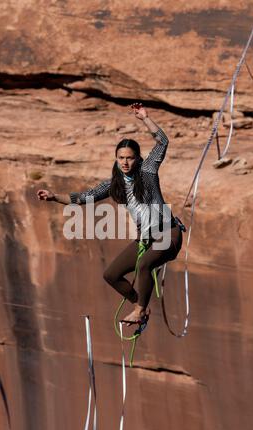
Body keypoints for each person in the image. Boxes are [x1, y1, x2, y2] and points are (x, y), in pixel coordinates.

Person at [37, 103, 184, 326]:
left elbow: (163, 141)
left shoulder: (148, 172)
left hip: (167, 234)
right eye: (121, 158)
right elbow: (84, 198)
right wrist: (54, 196)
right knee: (111, 275)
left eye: (130, 158)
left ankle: (139, 310)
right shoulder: (114, 184)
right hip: (146, 239)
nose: (125, 162)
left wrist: (145, 118)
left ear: (138, 159)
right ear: (116, 159)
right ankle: (141, 306)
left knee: (144, 264)